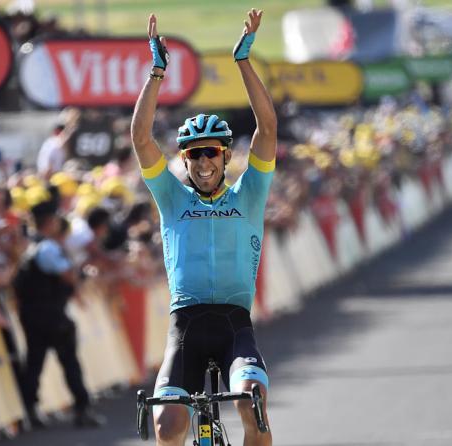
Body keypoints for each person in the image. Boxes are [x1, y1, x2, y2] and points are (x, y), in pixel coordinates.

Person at [131, 9, 275, 446]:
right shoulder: (172, 198)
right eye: (193, 155)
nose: (204, 162)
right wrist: (157, 71)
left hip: (235, 325)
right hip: (186, 327)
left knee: (253, 405)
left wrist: (243, 61)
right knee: (167, 427)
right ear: (184, 161)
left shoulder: (249, 194)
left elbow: (268, 127)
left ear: (226, 155)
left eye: (211, 152)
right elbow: (140, 139)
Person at [12, 202, 105, 429]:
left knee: (34, 362)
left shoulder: (29, 246)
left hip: (32, 314)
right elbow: (68, 276)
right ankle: (82, 409)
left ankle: (30, 410)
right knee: (69, 363)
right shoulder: (47, 248)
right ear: (50, 222)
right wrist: (81, 273)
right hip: (51, 314)